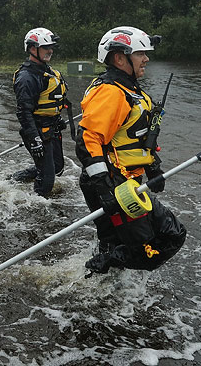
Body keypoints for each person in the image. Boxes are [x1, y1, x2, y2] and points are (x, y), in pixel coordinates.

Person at [75, 26, 186, 274]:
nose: (146, 58)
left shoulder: (130, 91)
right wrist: (104, 189)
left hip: (125, 180)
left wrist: (152, 165)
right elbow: (87, 140)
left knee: (116, 241)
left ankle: (99, 278)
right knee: (167, 239)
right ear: (119, 57)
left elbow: (132, 138)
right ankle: (105, 264)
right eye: (140, 54)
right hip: (113, 183)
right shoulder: (111, 92)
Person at [12, 27, 70, 197]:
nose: (50, 51)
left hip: (51, 129)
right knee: (47, 180)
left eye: (51, 47)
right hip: (37, 131)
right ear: (32, 49)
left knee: (57, 168)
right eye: (46, 48)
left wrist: (56, 118)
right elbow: (24, 112)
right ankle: (37, 204)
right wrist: (34, 138)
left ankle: (15, 179)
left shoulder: (49, 72)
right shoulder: (26, 77)